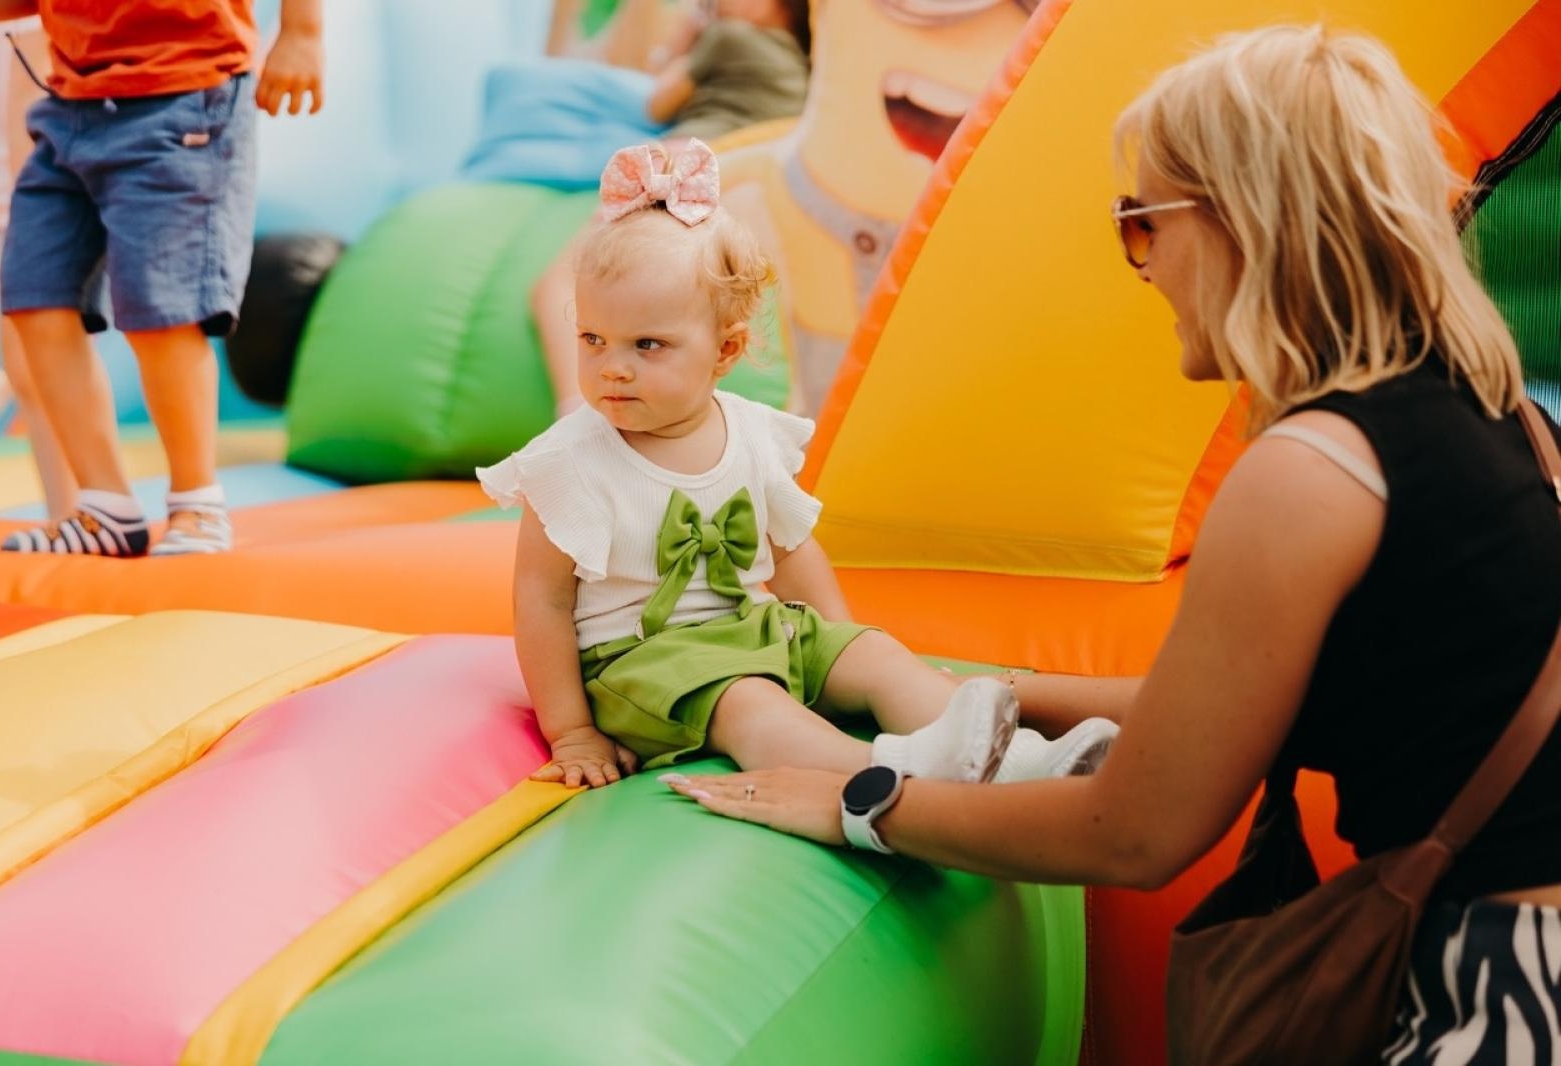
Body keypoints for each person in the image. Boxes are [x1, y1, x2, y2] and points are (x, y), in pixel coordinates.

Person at [663, 24, 1561, 1059]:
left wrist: (865, 800)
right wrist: (1005, 687)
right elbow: (1254, 703)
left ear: (1241, 223)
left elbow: (1136, 830)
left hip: (1501, 992)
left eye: (1142, 221)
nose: (1139, 264)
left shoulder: (1312, 469)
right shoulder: (1494, 418)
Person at [480, 139, 1117, 791]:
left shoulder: (752, 434)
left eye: (648, 345)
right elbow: (542, 601)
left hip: (748, 628)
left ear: (723, 351)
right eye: (593, 339)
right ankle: (891, 773)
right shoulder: (571, 460)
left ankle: (1022, 762)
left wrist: (840, 645)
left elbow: (791, 550)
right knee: (750, 704)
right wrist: (573, 731)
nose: (613, 365)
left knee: (875, 654)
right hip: (644, 665)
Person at [0, 0, 325, 556]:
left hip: (182, 92)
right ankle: (105, 505)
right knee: (35, 295)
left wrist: (302, 31)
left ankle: (196, 500)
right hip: (71, 102)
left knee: (162, 307)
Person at [532, 0, 812, 420]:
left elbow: (657, 101)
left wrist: (686, 38)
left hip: (683, 164)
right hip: (751, 175)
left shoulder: (728, 36)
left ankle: (578, 423)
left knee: (558, 284)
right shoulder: (806, 67)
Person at [0, 17, 74, 515]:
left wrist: (34, 225)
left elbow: (29, 117)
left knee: (35, 368)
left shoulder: (33, 17)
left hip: (18, 201)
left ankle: (69, 513)